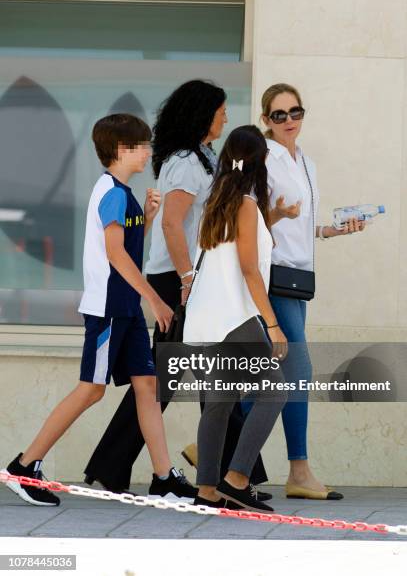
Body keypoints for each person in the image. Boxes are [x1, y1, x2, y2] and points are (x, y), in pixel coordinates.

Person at [84, 80, 270, 497]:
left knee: (201, 375)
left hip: (192, 279)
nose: (226, 117)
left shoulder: (203, 156)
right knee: (165, 377)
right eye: (221, 110)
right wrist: (188, 278)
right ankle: (223, 474)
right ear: (203, 114)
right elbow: (171, 223)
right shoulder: (185, 161)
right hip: (176, 280)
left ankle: (229, 474)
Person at [1, 114, 196, 506]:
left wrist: (149, 217)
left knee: (147, 386)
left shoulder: (122, 193)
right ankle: (24, 466)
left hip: (125, 310)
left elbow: (122, 247)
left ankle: (164, 478)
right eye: (143, 145)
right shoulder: (112, 192)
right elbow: (114, 253)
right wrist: (154, 299)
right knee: (91, 389)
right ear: (123, 150)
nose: (148, 151)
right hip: (109, 309)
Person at [261, 83, 365, 500]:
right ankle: (299, 471)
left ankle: (217, 447)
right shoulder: (260, 158)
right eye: (279, 115)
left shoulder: (306, 162)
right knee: (298, 370)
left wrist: (332, 230)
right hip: (272, 275)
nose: (289, 121)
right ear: (266, 120)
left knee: (277, 374)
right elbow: (248, 217)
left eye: (295, 112)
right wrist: (279, 214)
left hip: (299, 279)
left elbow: (303, 225)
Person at [183, 125, 289, 512]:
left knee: (219, 403)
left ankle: (207, 490)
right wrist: (272, 324)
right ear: (260, 163)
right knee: (275, 390)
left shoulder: (216, 202)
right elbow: (249, 269)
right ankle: (237, 479)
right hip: (233, 319)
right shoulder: (244, 203)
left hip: (202, 320)